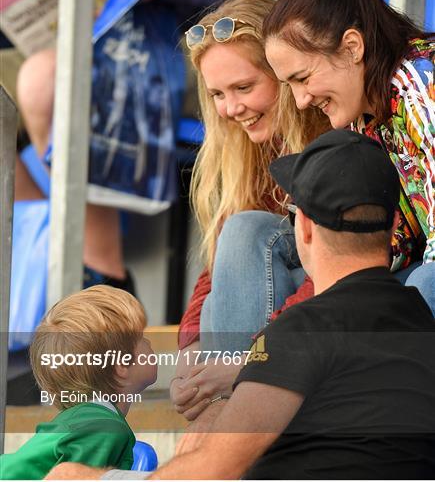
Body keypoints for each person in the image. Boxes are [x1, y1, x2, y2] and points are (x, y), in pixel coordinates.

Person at [45, 130, 435, 480]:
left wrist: (94, 479)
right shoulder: (421, 315)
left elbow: (211, 471)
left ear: (305, 228)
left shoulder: (297, 334)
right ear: (395, 223)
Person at [14, 0, 309, 292]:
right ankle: (38, 243)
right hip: (105, 23)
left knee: (44, 80)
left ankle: (101, 272)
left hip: (202, 36)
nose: (230, 108)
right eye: (221, 98)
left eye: (240, 92)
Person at [171, 0, 329, 422]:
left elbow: (344, 274)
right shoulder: (250, 147)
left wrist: (254, 356)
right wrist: (192, 345)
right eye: (218, 94)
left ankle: (226, 433)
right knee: (241, 230)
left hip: (339, 294)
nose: (231, 109)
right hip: (292, 297)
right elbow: (220, 264)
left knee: (247, 232)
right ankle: (222, 434)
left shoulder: (334, 132)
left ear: (283, 72)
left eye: (244, 87)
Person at [263, 0, 435, 315]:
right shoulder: (363, 113)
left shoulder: (421, 80)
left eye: (303, 77)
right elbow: (386, 247)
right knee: (252, 233)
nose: (301, 101)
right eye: (289, 85)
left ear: (352, 47)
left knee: (424, 285)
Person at [0, 285, 157, 480]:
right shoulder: (103, 427)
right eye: (141, 338)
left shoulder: (87, 419)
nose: (150, 343)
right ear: (121, 365)